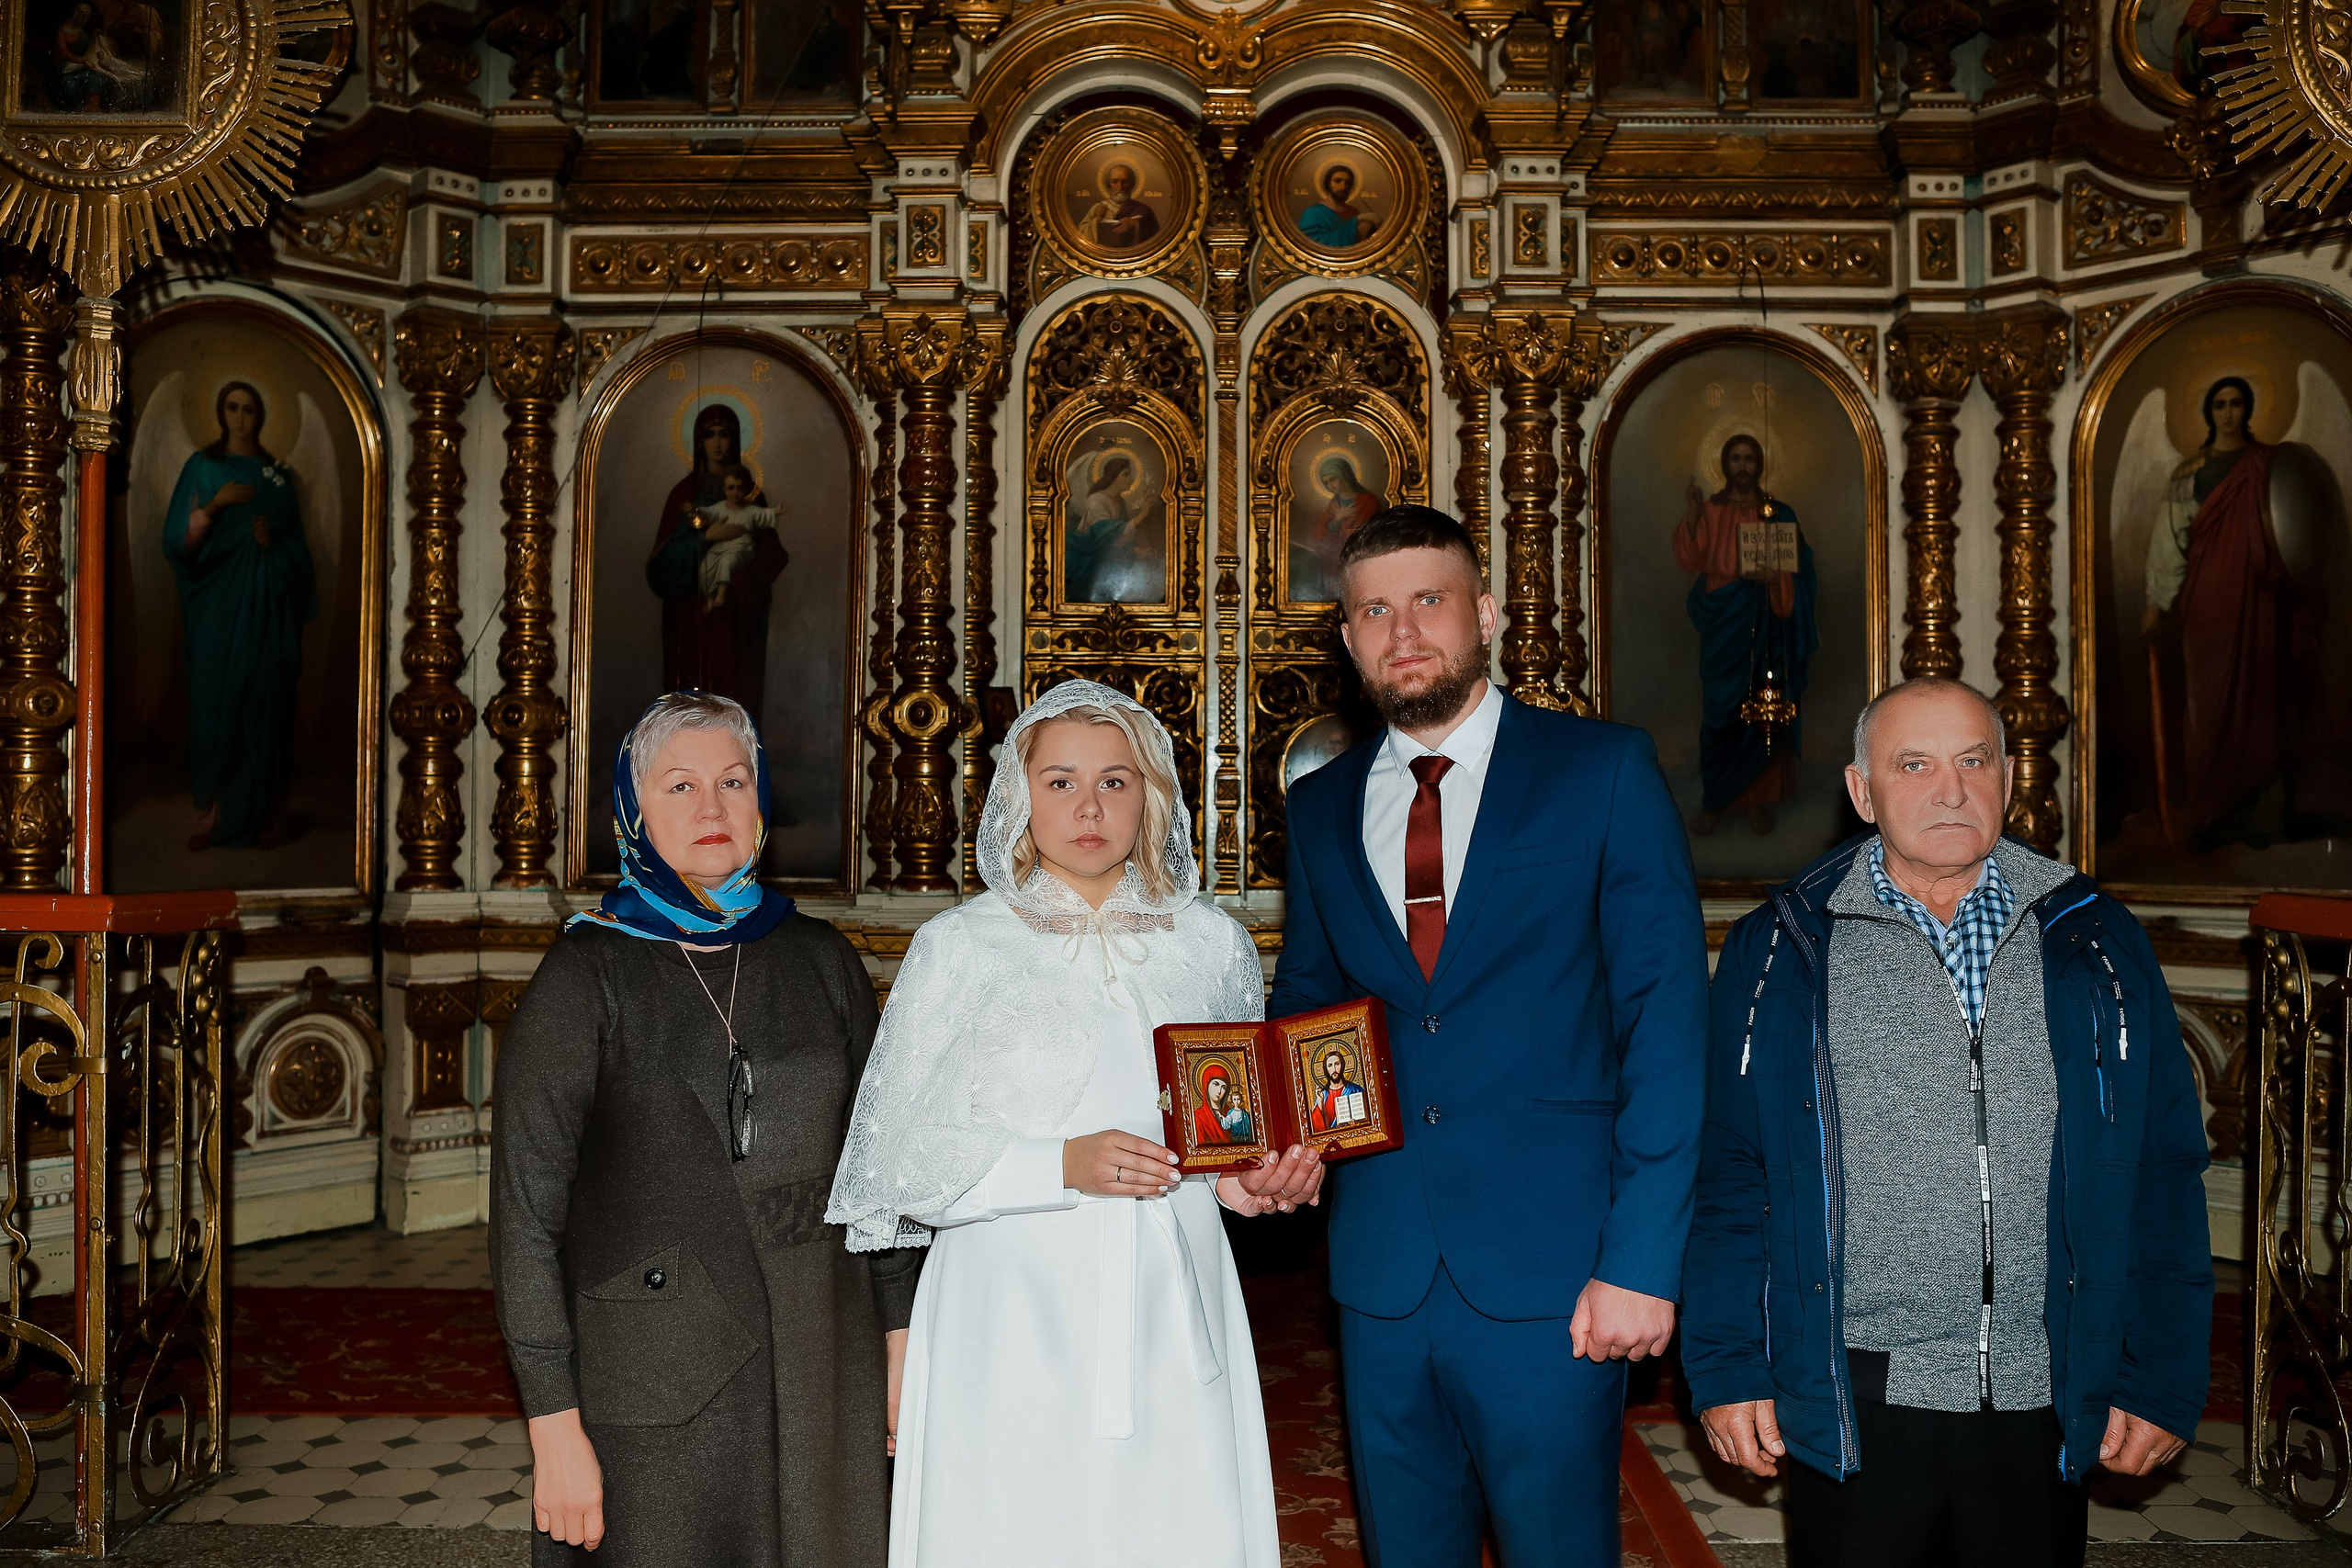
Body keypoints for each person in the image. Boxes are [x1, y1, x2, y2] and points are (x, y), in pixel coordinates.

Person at [1683, 677, 2212, 1567]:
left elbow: (2160, 1166)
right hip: (1855, 1382)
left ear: (2007, 778)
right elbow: (1733, 1173)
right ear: (1861, 792)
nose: (1950, 788)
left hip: (2043, 1379)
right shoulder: (1779, 948)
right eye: (1914, 764)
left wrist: (2158, 1374)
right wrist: (1729, 1365)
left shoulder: (2094, 939)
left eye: (1974, 761)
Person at [1270, 505, 1709, 1566]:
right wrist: (1284, 1142)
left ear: (1489, 614)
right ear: (1347, 636)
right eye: (1374, 608)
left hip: (1557, 1264)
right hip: (1381, 1269)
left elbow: (1664, 1020)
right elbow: (1312, 1001)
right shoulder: (1322, 805)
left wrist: (1643, 1260)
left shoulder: (1600, 771)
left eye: (1430, 599)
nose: (1403, 630)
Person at [828, 679, 1325, 1567]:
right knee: (1017, 1519)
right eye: (1059, 781)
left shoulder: (1212, 943)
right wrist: (1060, 1163)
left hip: (1175, 1295)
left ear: (1153, 797)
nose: (1088, 806)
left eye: (1115, 780)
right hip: (1012, 1295)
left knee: (1174, 1515)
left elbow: (1226, 1129)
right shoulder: (962, 944)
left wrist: (1247, 1183)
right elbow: (893, 1156)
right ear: (1020, 799)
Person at [491, 692, 918, 1565]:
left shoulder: (822, 959)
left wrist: (902, 1346)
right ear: (632, 809)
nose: (713, 807)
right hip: (658, 1382)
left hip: (821, 1362)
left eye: (733, 780)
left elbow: (885, 1173)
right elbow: (525, 1220)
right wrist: (553, 1425)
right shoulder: (586, 972)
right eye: (680, 785)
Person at [2141, 376, 2320, 849]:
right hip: (2207, 606)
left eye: (2236, 403)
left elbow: (2295, 525)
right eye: (2219, 404)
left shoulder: (2268, 466)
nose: (2227, 412)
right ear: (2208, 413)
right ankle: (2211, 817)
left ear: (2248, 408)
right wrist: (2159, 601)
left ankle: (2264, 822)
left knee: (2261, 708)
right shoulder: (2190, 473)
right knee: (2210, 707)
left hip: (2262, 605)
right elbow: (2169, 542)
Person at [161, 380, 316, 852]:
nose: (241, 417)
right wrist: (214, 506)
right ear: (220, 412)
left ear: (260, 417)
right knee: (212, 705)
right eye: (232, 407)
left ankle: (265, 817)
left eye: (249, 409)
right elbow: (177, 542)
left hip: (265, 615)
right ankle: (212, 819)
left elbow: (300, 556)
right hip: (214, 612)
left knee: (262, 705)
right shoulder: (203, 467)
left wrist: (273, 545)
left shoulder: (276, 476)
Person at [1670, 433, 1819, 836]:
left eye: (1749, 459)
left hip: (1767, 623)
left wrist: (1778, 580)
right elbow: (1690, 558)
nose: (1742, 467)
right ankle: (1717, 802)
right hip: (1725, 622)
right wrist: (1692, 513)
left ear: (1759, 465)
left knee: (1763, 706)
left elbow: (1799, 571)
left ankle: (1756, 800)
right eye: (1734, 459)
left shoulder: (1778, 513)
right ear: (1724, 464)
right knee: (1721, 712)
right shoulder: (1712, 510)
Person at [647, 405, 786, 712]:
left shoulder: (750, 495)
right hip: (690, 623)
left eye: (724, 434)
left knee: (735, 704)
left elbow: (770, 555)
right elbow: (660, 569)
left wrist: (746, 573)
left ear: (735, 439)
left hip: (736, 625)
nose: (718, 443)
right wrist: (707, 538)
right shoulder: (683, 495)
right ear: (699, 441)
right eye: (710, 435)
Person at [695, 464, 784, 612]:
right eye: (731, 488)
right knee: (705, 566)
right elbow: (707, 513)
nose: (735, 492)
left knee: (727, 562)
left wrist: (776, 511)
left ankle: (721, 596)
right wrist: (697, 510)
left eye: (739, 488)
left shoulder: (750, 510)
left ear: (745, 490)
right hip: (721, 546)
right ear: (724, 489)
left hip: (740, 547)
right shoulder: (720, 508)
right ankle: (709, 598)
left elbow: (764, 515)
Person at [1080, 162, 1160, 250]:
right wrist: (1097, 220)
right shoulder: (1097, 208)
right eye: (1115, 182)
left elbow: (1156, 238)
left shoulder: (1144, 210)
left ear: (1132, 184)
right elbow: (1081, 236)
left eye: (1125, 182)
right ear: (1108, 184)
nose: (1120, 187)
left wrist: (1136, 224)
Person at [1298, 164, 1379, 248]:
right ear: (1328, 184)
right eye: (1337, 181)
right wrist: (1356, 222)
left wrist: (1365, 229)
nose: (1343, 186)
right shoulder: (1312, 213)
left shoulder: (1353, 212)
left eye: (1347, 182)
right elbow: (1311, 244)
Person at [1306, 1046, 1366, 1135]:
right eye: (1330, 1065)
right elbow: (1317, 1128)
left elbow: (1369, 1116)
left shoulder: (1355, 1089)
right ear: (1326, 1069)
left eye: (1337, 1064)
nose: (1334, 1069)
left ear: (1342, 1065)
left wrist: (1357, 1122)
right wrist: (1320, 1102)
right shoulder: (1323, 1094)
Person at [1193, 1063, 1252, 1146]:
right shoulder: (1198, 1117)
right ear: (1206, 1084)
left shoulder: (1231, 1112)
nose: (1219, 1091)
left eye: (1224, 1087)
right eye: (1216, 1084)